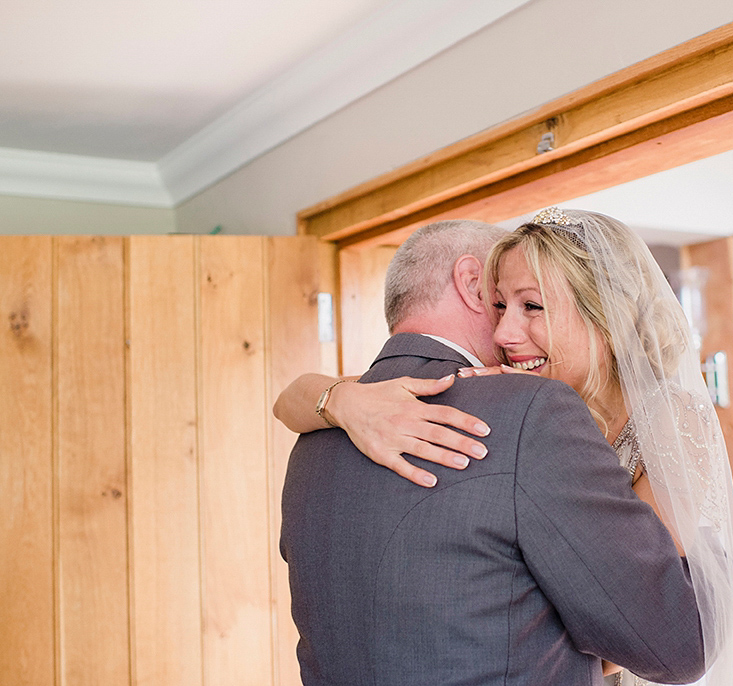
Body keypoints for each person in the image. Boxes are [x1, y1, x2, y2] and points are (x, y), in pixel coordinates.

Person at [279, 218, 705, 686]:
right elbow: (664, 641)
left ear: (602, 310)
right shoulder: (522, 414)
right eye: (498, 303)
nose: (504, 332)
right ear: (471, 284)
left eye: (530, 305)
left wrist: (329, 398)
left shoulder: (319, 437)